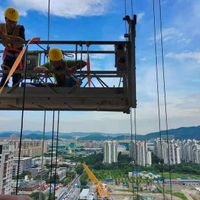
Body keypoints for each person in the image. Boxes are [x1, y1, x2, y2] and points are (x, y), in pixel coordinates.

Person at [0, 7, 25, 87]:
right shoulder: (1, 28)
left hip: (18, 58)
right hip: (8, 57)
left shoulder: (20, 28)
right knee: (4, 78)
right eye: (10, 21)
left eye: (14, 22)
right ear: (5, 19)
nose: (12, 24)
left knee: (16, 79)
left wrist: (6, 37)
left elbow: (21, 42)